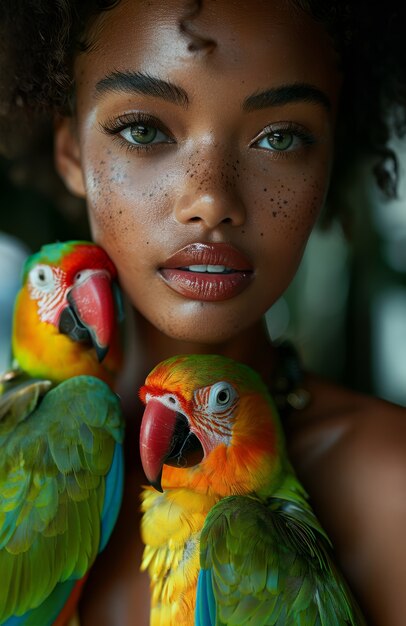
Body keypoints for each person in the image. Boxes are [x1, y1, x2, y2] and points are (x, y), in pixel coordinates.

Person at [1, 1, 406, 624]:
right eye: (143, 129)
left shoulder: (391, 489)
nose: (211, 199)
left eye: (281, 137)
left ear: (328, 161)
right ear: (72, 154)